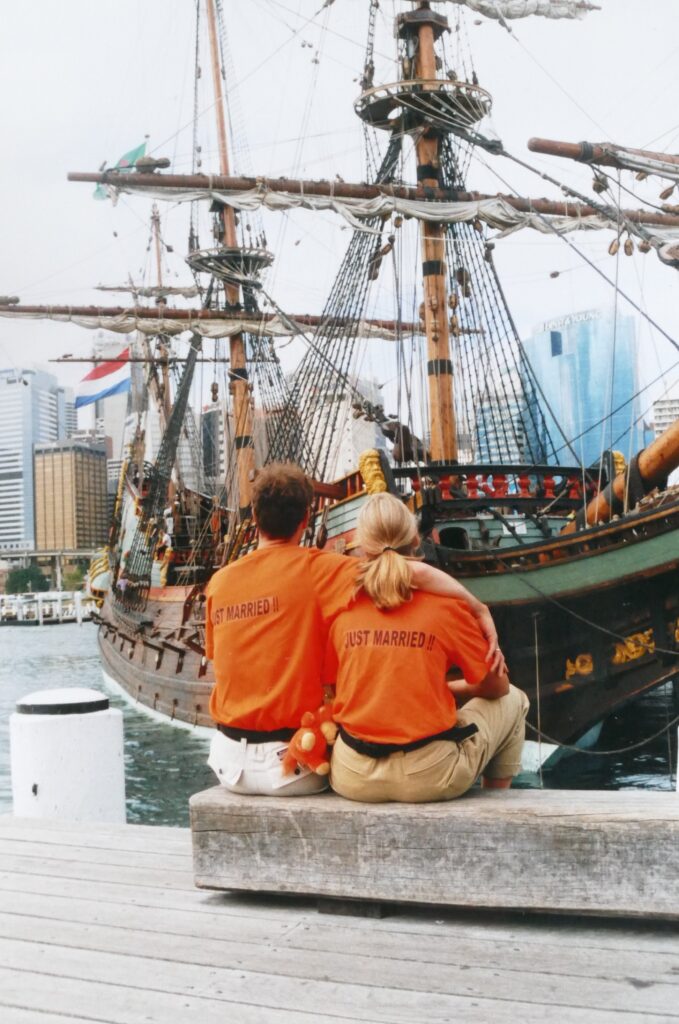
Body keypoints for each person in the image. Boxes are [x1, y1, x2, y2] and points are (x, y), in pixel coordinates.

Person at [205, 462, 505, 797]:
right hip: (295, 765)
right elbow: (404, 570)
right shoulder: (320, 570)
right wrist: (477, 607)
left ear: (255, 518)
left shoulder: (218, 583)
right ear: (306, 519)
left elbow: (218, 659)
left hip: (228, 765)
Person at [326, 492, 529, 803]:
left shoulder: (341, 604)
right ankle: (496, 811)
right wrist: (448, 689)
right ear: (415, 540)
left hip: (353, 775)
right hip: (428, 776)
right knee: (515, 699)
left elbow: (333, 686)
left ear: (362, 546)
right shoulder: (445, 607)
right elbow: (496, 686)